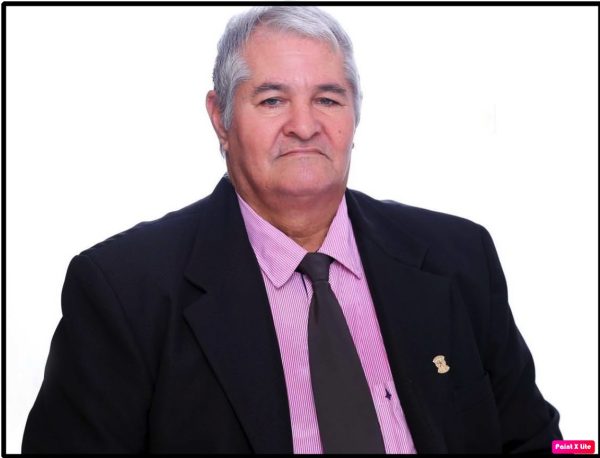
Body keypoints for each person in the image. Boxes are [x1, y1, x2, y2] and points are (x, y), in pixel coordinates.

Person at [22, 6, 562, 454]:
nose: (304, 126)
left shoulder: (458, 258)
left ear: (355, 115)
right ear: (220, 118)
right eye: (272, 100)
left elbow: (541, 442)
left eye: (327, 99)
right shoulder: (124, 291)